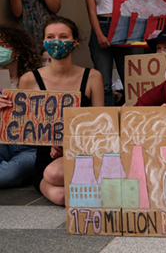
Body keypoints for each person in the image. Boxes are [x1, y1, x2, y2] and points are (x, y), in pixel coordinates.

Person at [19, 16, 104, 205]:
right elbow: (23, 127)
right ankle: (96, 185)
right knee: (61, 196)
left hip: (82, 151)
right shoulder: (29, 79)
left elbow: (101, 124)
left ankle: (94, 181)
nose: (56, 41)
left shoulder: (92, 77)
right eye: (50, 37)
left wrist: (70, 146)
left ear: (75, 42)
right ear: (43, 42)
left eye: (63, 36)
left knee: (55, 175)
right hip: (47, 155)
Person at [82, 0, 130, 107]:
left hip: (122, 27)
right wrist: (100, 35)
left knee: (129, 78)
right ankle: (107, 119)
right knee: (104, 82)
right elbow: (91, 12)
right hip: (101, 26)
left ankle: (132, 115)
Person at [0, 24, 43, 188]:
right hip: (2, 141)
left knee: (8, 174)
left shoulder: (37, 78)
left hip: (30, 146)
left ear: (17, 51)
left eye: (4, 45)